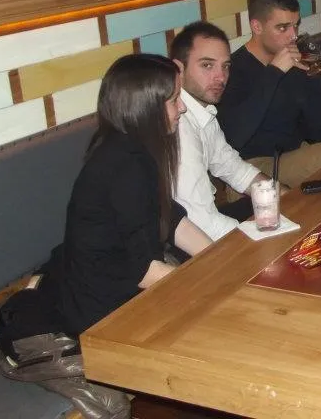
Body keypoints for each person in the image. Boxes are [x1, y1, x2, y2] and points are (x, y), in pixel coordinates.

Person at [52, 54, 212, 336]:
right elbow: (143, 269)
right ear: (145, 107)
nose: (183, 107)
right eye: (174, 99)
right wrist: (213, 286)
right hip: (105, 309)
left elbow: (171, 218)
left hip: (122, 287)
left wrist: (219, 259)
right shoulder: (124, 165)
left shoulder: (131, 149)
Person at [218, 0, 321, 186]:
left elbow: (318, 126)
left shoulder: (294, 60)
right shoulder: (232, 71)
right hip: (251, 166)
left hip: (295, 153)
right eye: (283, 27)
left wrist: (309, 78)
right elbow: (234, 138)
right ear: (257, 27)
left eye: (295, 25)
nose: (293, 35)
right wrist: (274, 72)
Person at [171, 21, 273, 242]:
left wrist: (278, 197)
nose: (221, 77)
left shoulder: (202, 110)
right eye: (207, 65)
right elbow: (202, 222)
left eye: (225, 66)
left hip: (202, 220)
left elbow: (233, 168)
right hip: (177, 243)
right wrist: (262, 235)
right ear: (179, 69)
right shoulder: (178, 125)